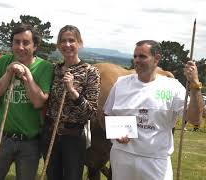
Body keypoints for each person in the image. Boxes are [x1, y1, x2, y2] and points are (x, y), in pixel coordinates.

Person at [104, 40, 204, 180]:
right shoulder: (121, 84)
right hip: (122, 157)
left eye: (142, 56)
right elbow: (108, 114)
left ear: (156, 58)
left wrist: (194, 85)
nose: (137, 61)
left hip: (155, 161)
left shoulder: (172, 87)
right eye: (135, 56)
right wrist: (117, 133)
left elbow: (195, 120)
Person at [0, 23, 54, 180]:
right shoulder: (3, 62)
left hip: (30, 142)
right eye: (16, 42)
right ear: (11, 44)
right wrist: (8, 73)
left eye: (26, 42)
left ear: (35, 46)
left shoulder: (45, 67)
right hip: (2, 137)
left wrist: (27, 75)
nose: (20, 47)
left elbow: (38, 102)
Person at [41, 25, 100, 180]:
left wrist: (73, 91)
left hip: (73, 138)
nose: (67, 45)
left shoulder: (90, 71)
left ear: (79, 43)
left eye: (71, 40)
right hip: (50, 134)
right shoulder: (54, 70)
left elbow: (92, 112)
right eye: (63, 41)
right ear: (58, 45)